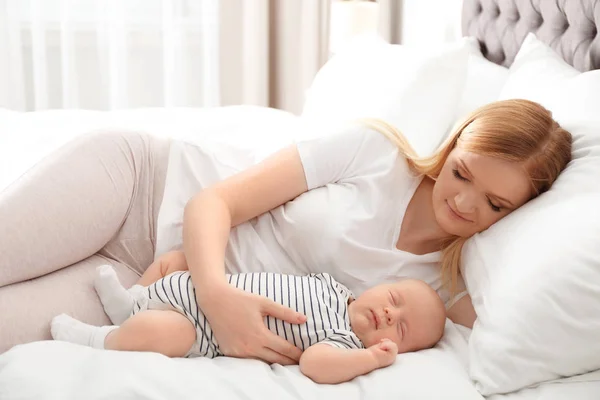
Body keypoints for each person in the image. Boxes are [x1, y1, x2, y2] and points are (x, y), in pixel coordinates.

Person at [0, 99, 572, 361]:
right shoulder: (374, 153)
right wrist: (216, 292)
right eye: (462, 172)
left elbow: (544, 315)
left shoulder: (444, 288)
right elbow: (213, 200)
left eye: (495, 204)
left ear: (518, 213)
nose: (464, 203)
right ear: (452, 144)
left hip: (150, 294)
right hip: (140, 187)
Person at [50, 260, 446, 384]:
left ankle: (98, 338)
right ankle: (130, 304)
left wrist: (372, 360)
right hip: (202, 289)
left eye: (401, 329)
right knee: (169, 271)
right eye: (395, 300)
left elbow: (315, 365)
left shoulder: (342, 340)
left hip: (201, 329)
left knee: (161, 333)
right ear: (380, 286)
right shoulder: (334, 287)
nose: (392, 314)